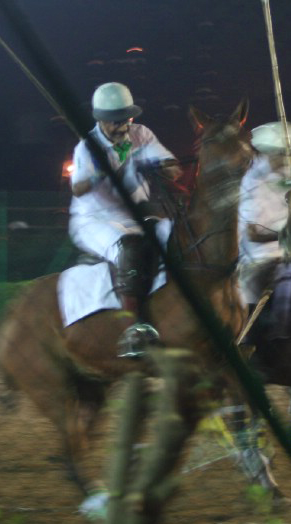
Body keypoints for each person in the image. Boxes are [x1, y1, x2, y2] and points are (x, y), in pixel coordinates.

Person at [68, 82, 182, 358]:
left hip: (138, 216)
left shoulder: (142, 134)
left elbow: (175, 170)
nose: (122, 127)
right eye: (115, 122)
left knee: (177, 236)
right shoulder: (86, 147)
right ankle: (133, 330)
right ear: (100, 120)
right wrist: (101, 173)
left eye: (126, 119)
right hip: (95, 220)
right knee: (130, 247)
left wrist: (160, 166)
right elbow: (77, 188)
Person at [237, 121, 291, 311]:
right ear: (268, 152)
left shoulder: (290, 175)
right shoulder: (251, 180)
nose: (288, 158)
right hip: (260, 257)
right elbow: (253, 234)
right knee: (256, 288)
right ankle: (249, 334)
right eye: (282, 153)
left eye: (290, 152)